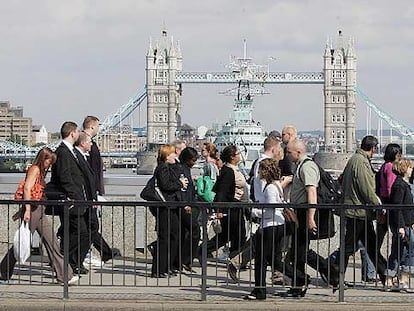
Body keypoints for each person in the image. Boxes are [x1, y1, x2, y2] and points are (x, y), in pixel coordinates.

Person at [0, 147, 78, 285]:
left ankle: (65, 276)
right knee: (21, 243)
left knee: (52, 242)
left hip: (39, 208)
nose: (50, 164)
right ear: (44, 158)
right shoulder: (35, 169)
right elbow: (27, 188)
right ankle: (3, 271)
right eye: (49, 161)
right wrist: (28, 209)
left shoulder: (39, 171)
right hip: (34, 209)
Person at [285, 138, 338, 297]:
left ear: (298, 152)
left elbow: (312, 193)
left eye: (289, 152)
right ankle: (299, 284)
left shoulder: (307, 167)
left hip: (305, 211)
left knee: (300, 252)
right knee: (297, 251)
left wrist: (310, 217)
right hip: (301, 211)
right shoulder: (301, 166)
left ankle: (330, 272)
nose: (287, 154)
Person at [245, 158, 304, 300]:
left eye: (260, 170)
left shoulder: (270, 188)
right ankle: (299, 277)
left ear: (265, 171)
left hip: (270, 226)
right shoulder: (277, 184)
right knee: (273, 259)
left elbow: (270, 210)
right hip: (277, 225)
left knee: (261, 259)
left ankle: (260, 290)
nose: (258, 173)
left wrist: (253, 212)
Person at [339, 135, 387, 286]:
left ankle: (386, 276)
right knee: (349, 247)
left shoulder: (355, 159)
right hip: (358, 212)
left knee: (370, 247)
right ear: (373, 148)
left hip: (357, 211)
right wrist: (379, 207)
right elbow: (366, 188)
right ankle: (334, 275)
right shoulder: (361, 162)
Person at [50, 121, 91, 275]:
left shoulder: (70, 150)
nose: (78, 133)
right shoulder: (62, 152)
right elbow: (65, 176)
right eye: (77, 131)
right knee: (80, 233)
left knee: (72, 233)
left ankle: (67, 265)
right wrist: (74, 195)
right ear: (73, 132)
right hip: (71, 201)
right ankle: (63, 264)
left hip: (76, 200)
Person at [82, 116, 121, 266]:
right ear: (92, 126)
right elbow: (91, 169)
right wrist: (95, 191)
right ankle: (87, 254)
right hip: (91, 192)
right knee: (90, 225)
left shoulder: (90, 142)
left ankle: (104, 252)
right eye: (98, 126)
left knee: (89, 225)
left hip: (93, 190)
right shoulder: (86, 142)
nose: (99, 129)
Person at [151, 144, 188, 278]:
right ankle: (159, 269)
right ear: (167, 156)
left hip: (171, 206)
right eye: (173, 154)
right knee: (165, 238)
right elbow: (166, 185)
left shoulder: (170, 167)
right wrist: (180, 184)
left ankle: (167, 266)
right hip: (165, 207)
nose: (175, 156)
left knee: (174, 236)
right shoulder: (162, 168)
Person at [205, 145, 246, 259]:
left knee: (227, 235)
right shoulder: (228, 171)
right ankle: (236, 259)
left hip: (236, 205)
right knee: (236, 235)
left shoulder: (231, 169)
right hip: (231, 206)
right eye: (238, 154)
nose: (240, 156)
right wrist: (219, 209)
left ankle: (201, 250)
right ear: (232, 157)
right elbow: (222, 191)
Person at [385, 158, 414, 292]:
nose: (411, 170)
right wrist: (401, 226)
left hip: (407, 223)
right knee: (402, 252)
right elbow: (397, 207)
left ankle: (396, 279)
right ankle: (396, 279)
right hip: (403, 225)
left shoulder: (401, 185)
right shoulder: (400, 186)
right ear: (403, 169)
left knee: (403, 252)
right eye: (409, 168)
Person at [176, 147, 200, 272]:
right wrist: (186, 205)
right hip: (185, 206)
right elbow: (183, 190)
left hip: (188, 205)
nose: (195, 162)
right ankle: (185, 260)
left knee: (186, 233)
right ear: (187, 159)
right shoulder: (182, 170)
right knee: (195, 230)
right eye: (193, 159)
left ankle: (183, 260)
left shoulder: (186, 169)